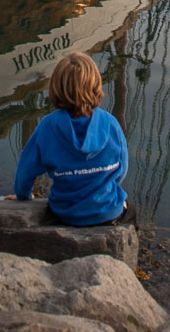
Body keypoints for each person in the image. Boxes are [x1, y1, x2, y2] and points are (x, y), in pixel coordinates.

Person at [11, 52, 133, 226]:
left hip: (66, 213)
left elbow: (25, 173)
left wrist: (23, 196)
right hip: (107, 212)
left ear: (56, 88)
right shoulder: (111, 123)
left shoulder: (48, 126)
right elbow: (121, 169)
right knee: (131, 213)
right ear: (95, 84)